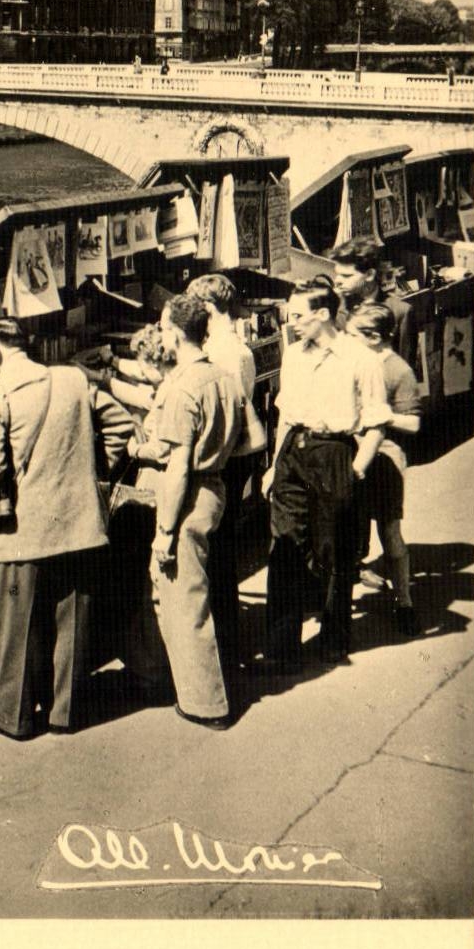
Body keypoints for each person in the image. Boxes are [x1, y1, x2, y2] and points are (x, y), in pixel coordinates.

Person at [0, 318, 132, 739]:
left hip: (22, 532)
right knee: (72, 624)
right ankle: (67, 712)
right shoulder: (73, 380)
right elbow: (120, 425)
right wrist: (94, 475)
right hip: (79, 524)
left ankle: (15, 719)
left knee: (14, 632)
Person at [263, 282, 391, 667]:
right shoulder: (294, 355)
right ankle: (281, 649)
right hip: (294, 452)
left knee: (333, 549)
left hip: (336, 453)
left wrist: (356, 469)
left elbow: (376, 423)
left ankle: (334, 638)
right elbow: (285, 413)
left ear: (322, 314)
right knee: (284, 545)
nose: (293, 323)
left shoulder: (360, 358)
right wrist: (274, 467)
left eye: (298, 315)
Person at [139, 295, 245, 728]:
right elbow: (248, 439)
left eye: (164, 327)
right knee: (188, 598)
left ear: (175, 332)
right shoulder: (223, 376)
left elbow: (179, 468)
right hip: (215, 489)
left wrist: (164, 532)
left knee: (185, 605)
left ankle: (206, 703)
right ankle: (186, 683)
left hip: (186, 498)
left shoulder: (182, 388)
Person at [187, 273, 259, 668]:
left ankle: (223, 645)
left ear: (208, 308)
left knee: (214, 554)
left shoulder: (221, 352)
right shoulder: (239, 349)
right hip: (234, 456)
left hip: (220, 457)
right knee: (222, 549)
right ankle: (227, 641)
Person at [345, 301, 422, 634]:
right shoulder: (354, 364)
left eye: (352, 336)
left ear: (373, 336)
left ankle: (403, 601)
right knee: (349, 529)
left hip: (386, 458)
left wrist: (383, 416)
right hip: (354, 452)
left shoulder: (399, 370)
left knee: (389, 530)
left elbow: (414, 424)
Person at [330, 237, 414, 364]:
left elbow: (404, 366)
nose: (337, 281)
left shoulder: (400, 311)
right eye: (337, 274)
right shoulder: (335, 307)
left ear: (369, 275)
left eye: (346, 276)